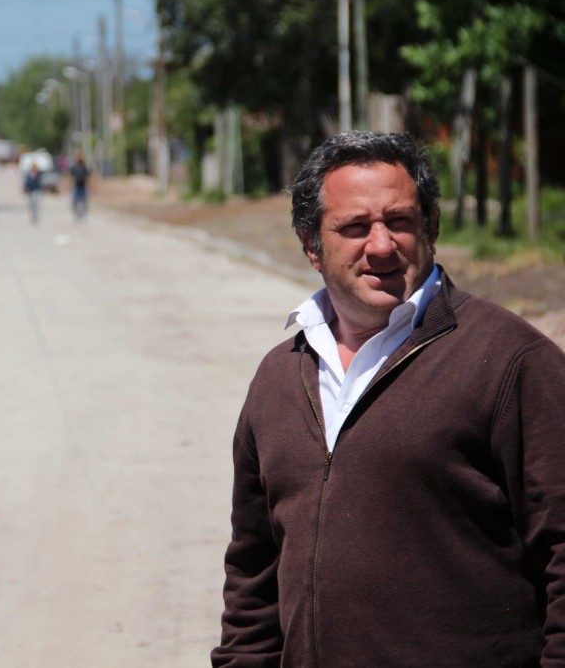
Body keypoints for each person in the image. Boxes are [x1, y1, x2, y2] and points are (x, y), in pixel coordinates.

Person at [212, 131, 565, 667]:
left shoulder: (512, 362)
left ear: (431, 229)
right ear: (312, 245)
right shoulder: (278, 378)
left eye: (398, 221)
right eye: (354, 228)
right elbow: (252, 576)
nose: (381, 245)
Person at [69, 153, 90, 220]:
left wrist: (90, 186)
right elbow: (71, 177)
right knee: (75, 202)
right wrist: (69, 186)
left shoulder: (84, 167)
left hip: (83, 187)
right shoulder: (74, 168)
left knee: (84, 202)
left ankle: (83, 214)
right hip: (76, 187)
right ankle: (76, 213)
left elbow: (88, 177)